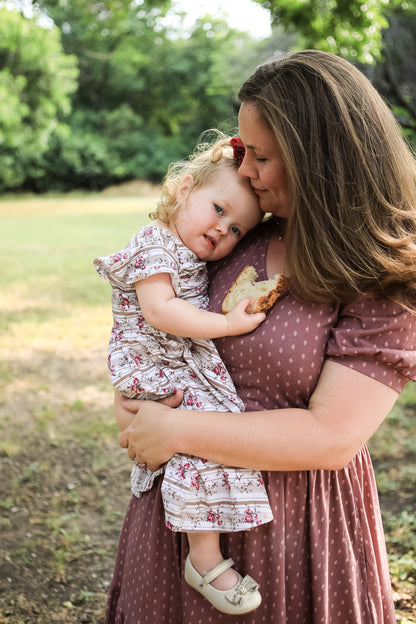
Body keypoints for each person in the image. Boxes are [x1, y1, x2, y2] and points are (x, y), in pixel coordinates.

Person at [105, 49, 416, 624]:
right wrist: (136, 400)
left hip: (293, 525)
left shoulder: (382, 278)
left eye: (263, 157)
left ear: (318, 162)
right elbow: (162, 329)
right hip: (185, 511)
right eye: (244, 152)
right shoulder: (234, 236)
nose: (243, 170)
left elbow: (332, 436)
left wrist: (174, 428)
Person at [94, 136, 276, 615]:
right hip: (154, 365)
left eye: (237, 228)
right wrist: (228, 325)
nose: (222, 230)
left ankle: (210, 536)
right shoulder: (154, 243)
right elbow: (160, 312)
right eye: (217, 209)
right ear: (183, 188)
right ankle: (204, 557)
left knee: (206, 436)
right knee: (197, 438)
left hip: (174, 362)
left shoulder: (188, 250)